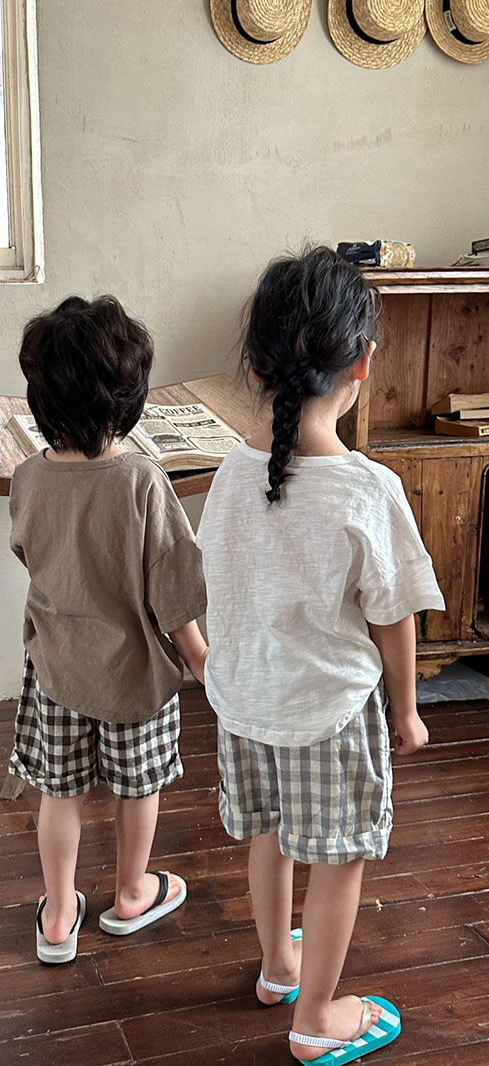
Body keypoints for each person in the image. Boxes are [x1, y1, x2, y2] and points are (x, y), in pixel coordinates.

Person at [198, 246, 444, 1064]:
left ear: (256, 367)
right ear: (363, 363)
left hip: (244, 705)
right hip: (329, 716)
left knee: (267, 836)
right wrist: (406, 711)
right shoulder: (367, 489)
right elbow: (394, 617)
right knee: (339, 860)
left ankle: (278, 968)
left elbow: (222, 583)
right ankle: (315, 1020)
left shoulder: (229, 476)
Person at [6, 295, 209, 964]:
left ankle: (59, 915)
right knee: (138, 787)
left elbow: (30, 556)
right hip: (134, 676)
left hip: (58, 668)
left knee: (58, 793)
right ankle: (130, 893)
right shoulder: (142, 480)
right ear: (128, 400)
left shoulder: (28, 478)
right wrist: (200, 658)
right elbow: (173, 589)